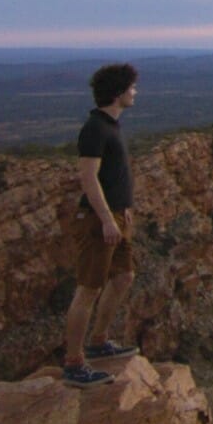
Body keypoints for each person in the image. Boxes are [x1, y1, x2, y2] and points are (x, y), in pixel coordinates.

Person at [63, 62, 141, 387]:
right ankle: (74, 363)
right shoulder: (95, 128)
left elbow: (112, 176)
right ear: (118, 92)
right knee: (88, 290)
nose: (135, 93)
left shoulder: (111, 126)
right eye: (132, 88)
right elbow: (87, 177)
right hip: (99, 221)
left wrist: (124, 211)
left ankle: (98, 341)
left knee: (124, 276)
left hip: (118, 216)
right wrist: (108, 218)